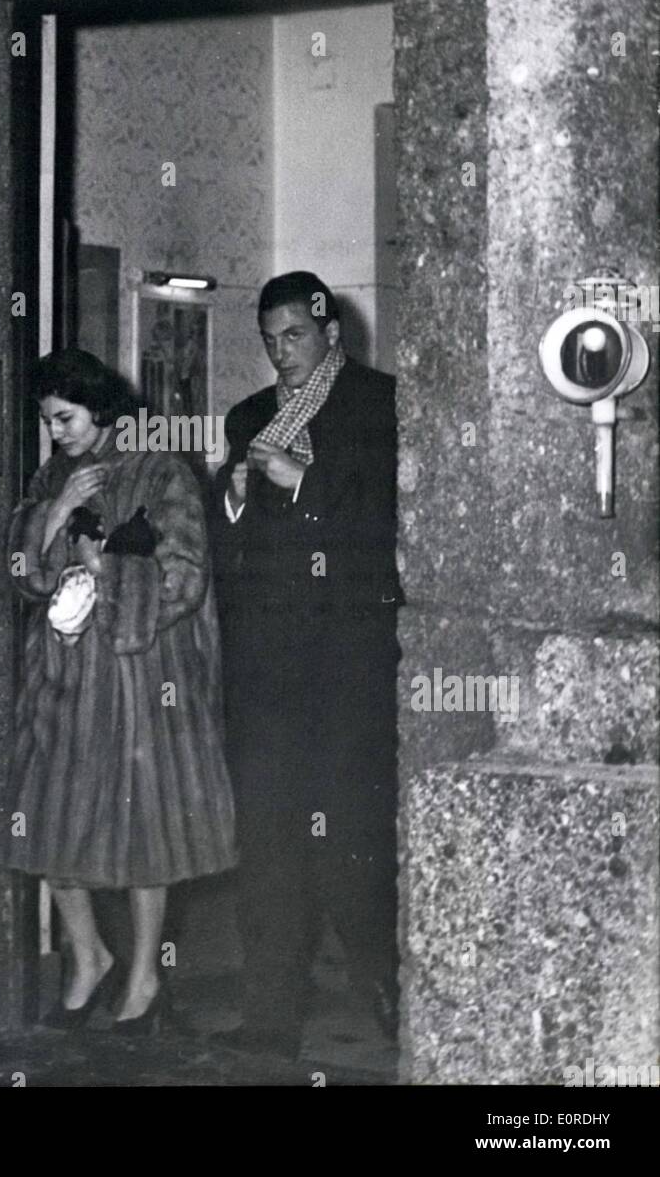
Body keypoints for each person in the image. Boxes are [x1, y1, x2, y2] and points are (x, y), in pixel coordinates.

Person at [6, 347, 236, 1034]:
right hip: (65, 673)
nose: (58, 433)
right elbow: (21, 571)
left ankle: (144, 976)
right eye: (49, 422)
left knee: (147, 830)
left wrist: (103, 578)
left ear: (101, 410)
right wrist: (56, 515)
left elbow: (185, 574)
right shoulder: (54, 475)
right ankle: (88, 958)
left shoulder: (161, 467)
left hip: (142, 675)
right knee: (46, 819)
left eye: (67, 418)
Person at [209, 272, 404, 1059]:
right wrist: (232, 499)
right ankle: (271, 1012)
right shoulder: (250, 419)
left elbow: (392, 523)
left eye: (292, 336)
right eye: (267, 339)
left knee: (353, 838)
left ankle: (387, 990)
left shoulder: (380, 405)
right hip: (270, 669)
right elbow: (232, 550)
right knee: (269, 837)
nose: (279, 353)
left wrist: (306, 486)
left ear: (328, 329)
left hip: (350, 664)